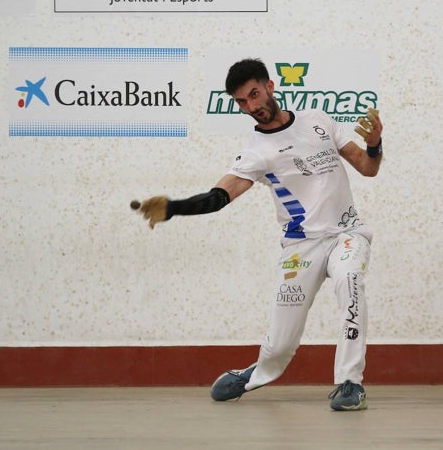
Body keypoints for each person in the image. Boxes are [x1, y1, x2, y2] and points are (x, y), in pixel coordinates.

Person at [137, 58, 383, 411]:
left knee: (350, 279)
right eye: (241, 102)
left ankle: (350, 382)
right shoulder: (256, 151)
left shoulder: (319, 120)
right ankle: (257, 373)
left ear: (270, 86)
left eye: (254, 94)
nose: (252, 107)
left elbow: (367, 167)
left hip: (347, 233)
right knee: (281, 344)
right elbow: (220, 196)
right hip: (301, 245)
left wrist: (374, 144)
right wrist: (175, 207)